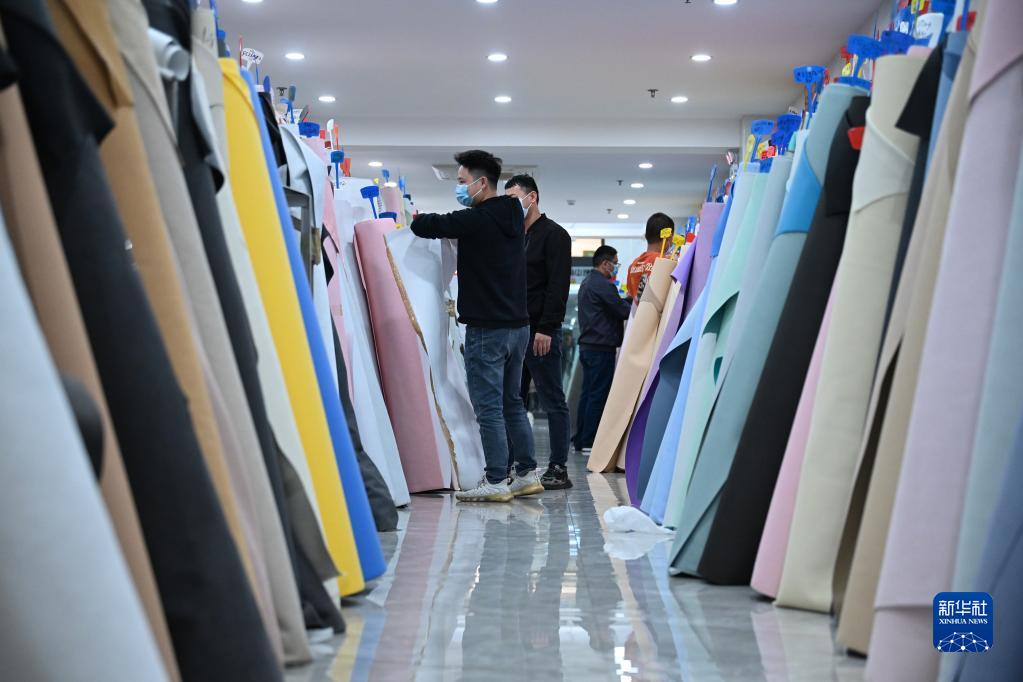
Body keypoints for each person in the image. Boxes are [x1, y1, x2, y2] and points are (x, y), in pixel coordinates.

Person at [410, 150, 541, 503]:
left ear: (482, 183)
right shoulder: (513, 214)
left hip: (488, 328)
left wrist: (413, 218)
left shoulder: (480, 218)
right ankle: (526, 473)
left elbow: (427, 225)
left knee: (488, 407)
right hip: (518, 326)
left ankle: (496, 478)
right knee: (512, 402)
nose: (459, 188)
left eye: (462, 181)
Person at [504, 175, 573, 490]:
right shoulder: (514, 235)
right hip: (514, 331)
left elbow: (558, 286)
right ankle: (515, 467)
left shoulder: (554, 235)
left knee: (552, 399)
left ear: (532, 197)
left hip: (541, 332)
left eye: (514, 198)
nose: (511, 205)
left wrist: (547, 328)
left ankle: (558, 467)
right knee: (512, 400)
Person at [574, 245, 632, 452]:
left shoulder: (588, 282)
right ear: (606, 264)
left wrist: (628, 300)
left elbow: (614, 304)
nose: (616, 267)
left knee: (588, 394)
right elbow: (622, 310)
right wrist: (637, 302)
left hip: (588, 347)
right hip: (601, 348)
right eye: (615, 263)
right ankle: (589, 441)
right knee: (598, 395)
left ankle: (580, 440)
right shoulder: (603, 285)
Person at [625, 212, 674, 301]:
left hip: (639, 310)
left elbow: (634, 295)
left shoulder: (633, 265)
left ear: (646, 236)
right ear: (669, 237)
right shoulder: (666, 262)